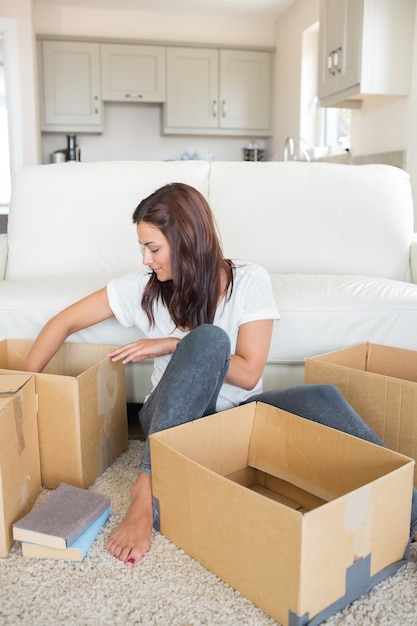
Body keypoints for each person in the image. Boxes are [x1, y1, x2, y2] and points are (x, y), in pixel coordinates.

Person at [23, 182, 417, 567]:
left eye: (153, 247)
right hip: (171, 419)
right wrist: (18, 390)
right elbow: (64, 322)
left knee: (323, 395)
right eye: (143, 247)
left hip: (237, 418)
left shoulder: (250, 280)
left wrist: (170, 344)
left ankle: (409, 510)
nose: (146, 259)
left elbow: (248, 374)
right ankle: (145, 491)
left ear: (188, 242)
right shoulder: (141, 288)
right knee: (209, 339)